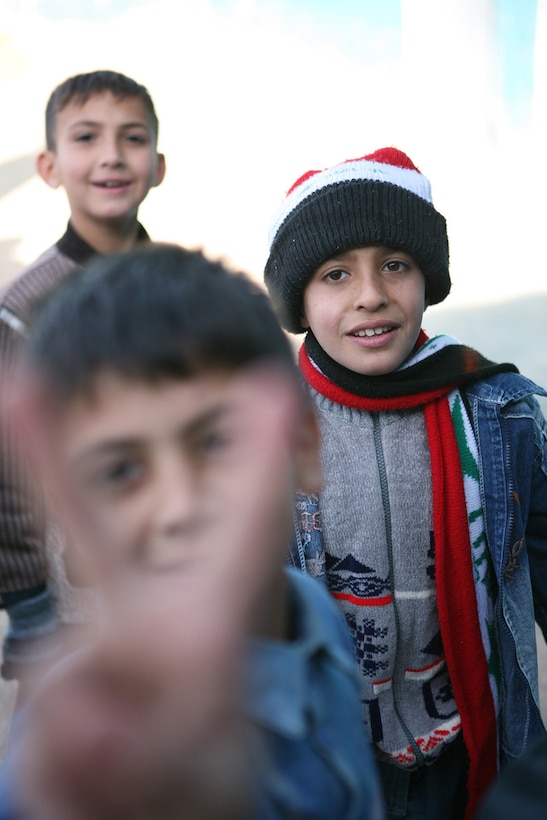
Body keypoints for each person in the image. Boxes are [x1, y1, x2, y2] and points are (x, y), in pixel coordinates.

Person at [0, 244, 385, 819]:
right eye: (120, 471)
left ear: (302, 444)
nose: (178, 507)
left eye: (215, 443)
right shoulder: (72, 757)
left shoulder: (312, 612)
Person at [263, 146, 547, 819]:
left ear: (427, 277)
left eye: (395, 264)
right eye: (335, 274)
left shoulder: (493, 411)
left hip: (463, 746)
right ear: (298, 300)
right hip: (329, 752)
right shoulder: (266, 433)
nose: (370, 294)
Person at [0, 69, 166, 687]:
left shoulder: (178, 290)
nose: (111, 157)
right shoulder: (27, 306)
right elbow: (9, 463)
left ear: (158, 164)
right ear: (48, 166)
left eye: (131, 138)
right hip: (73, 596)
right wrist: (27, 599)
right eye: (87, 137)